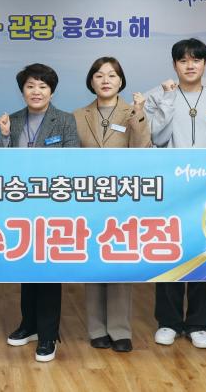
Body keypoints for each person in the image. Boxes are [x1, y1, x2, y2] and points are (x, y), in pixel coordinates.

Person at [144, 38, 206, 350]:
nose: (190, 65)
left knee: (204, 254)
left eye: (196, 60)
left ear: (205, 63)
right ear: (174, 65)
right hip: (172, 190)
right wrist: (168, 100)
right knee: (168, 252)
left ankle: (198, 323)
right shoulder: (158, 98)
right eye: (183, 60)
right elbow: (157, 137)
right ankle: (168, 322)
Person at [0, 63, 79, 362]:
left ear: (51, 91)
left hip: (52, 206)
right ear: (22, 91)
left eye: (42, 86)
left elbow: (72, 163)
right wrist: (5, 136)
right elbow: (0, 165)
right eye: (30, 86)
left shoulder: (65, 120)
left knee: (49, 272)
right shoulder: (14, 120)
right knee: (27, 268)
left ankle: (47, 335)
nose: (36, 91)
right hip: (21, 207)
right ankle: (28, 324)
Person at [73, 56, 150, 353]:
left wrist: (139, 116)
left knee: (119, 263)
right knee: (94, 263)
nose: (106, 80)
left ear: (121, 81)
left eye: (112, 75)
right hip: (88, 199)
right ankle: (96, 329)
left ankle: (120, 330)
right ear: (91, 81)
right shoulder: (78, 115)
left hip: (122, 199)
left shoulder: (134, 113)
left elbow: (143, 151)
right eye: (99, 75)